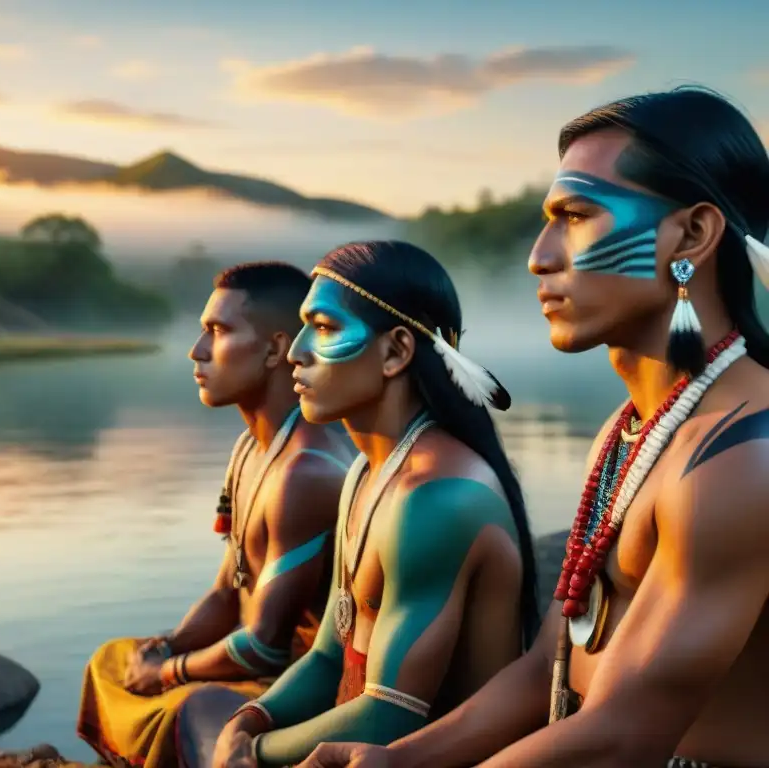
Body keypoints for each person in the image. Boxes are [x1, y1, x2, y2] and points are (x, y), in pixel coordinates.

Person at [296, 86, 769, 768]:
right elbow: (549, 659)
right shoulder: (632, 430)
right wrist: (396, 761)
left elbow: (623, 736)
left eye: (576, 216)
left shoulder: (741, 453)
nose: (539, 257)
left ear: (692, 234)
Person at [211, 240, 540, 768]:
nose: (295, 351)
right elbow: (326, 656)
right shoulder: (368, 469)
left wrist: (253, 753)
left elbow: (391, 714)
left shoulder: (437, 498)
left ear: (395, 352)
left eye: (321, 328)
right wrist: (251, 720)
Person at [77, 261, 354, 768]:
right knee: (113, 660)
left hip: (300, 687)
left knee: (193, 705)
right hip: (246, 663)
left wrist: (168, 672)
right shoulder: (250, 447)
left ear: (275, 350)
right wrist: (165, 647)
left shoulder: (307, 471)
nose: (196, 351)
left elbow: (267, 650)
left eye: (218, 331)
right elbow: (229, 590)